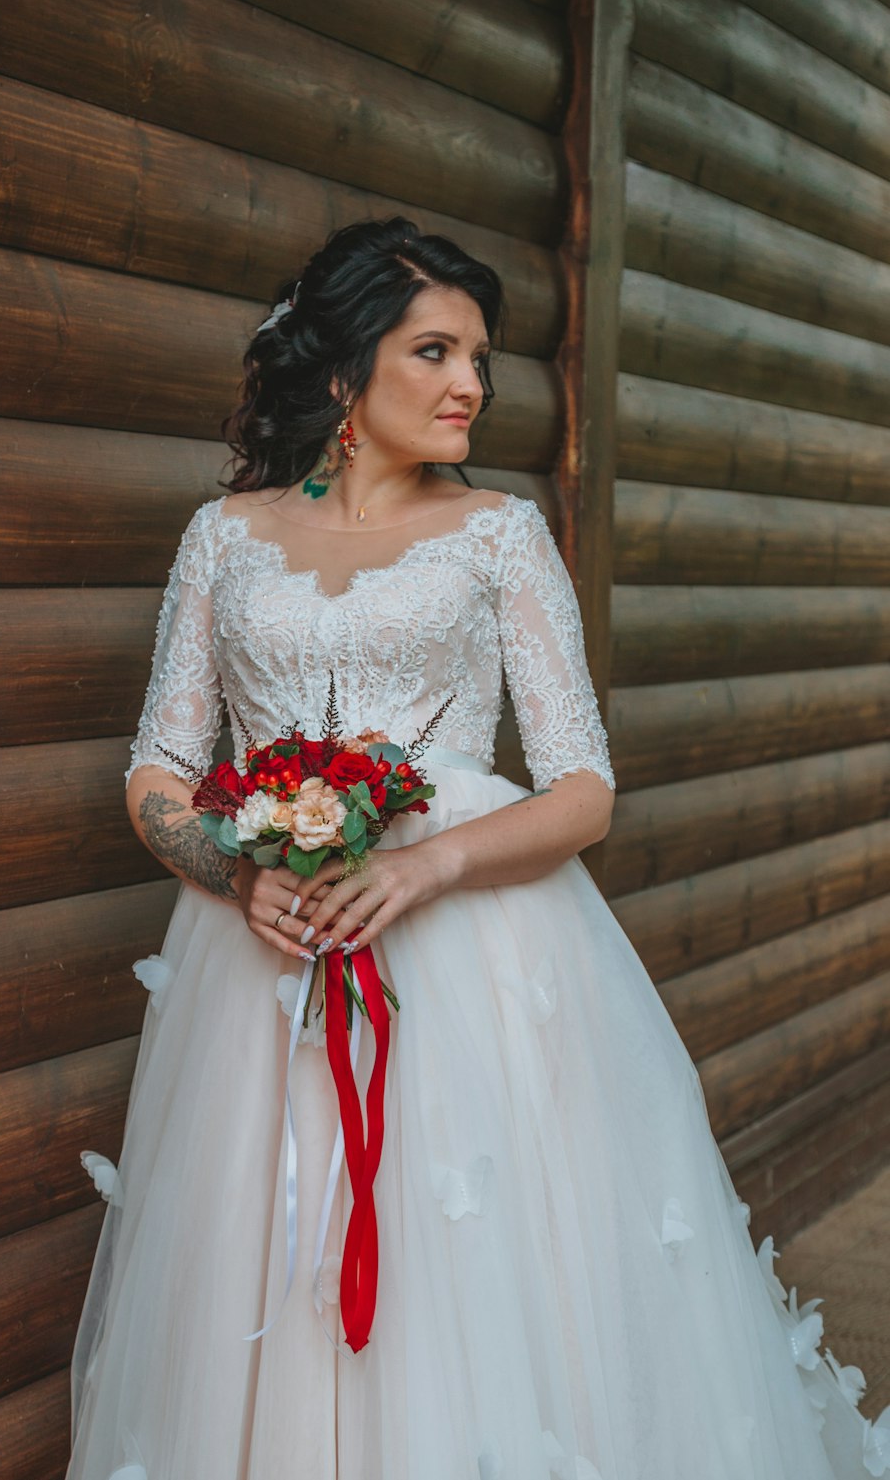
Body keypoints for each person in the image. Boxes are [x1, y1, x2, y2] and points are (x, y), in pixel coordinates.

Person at [66, 217, 886, 1480]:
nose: (471, 388)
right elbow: (157, 775)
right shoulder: (221, 540)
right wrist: (240, 873)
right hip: (261, 960)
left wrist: (419, 864)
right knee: (262, 1265)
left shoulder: (499, 537)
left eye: (480, 360)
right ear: (343, 375)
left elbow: (582, 790)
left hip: (472, 954)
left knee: (476, 1272)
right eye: (435, 353)